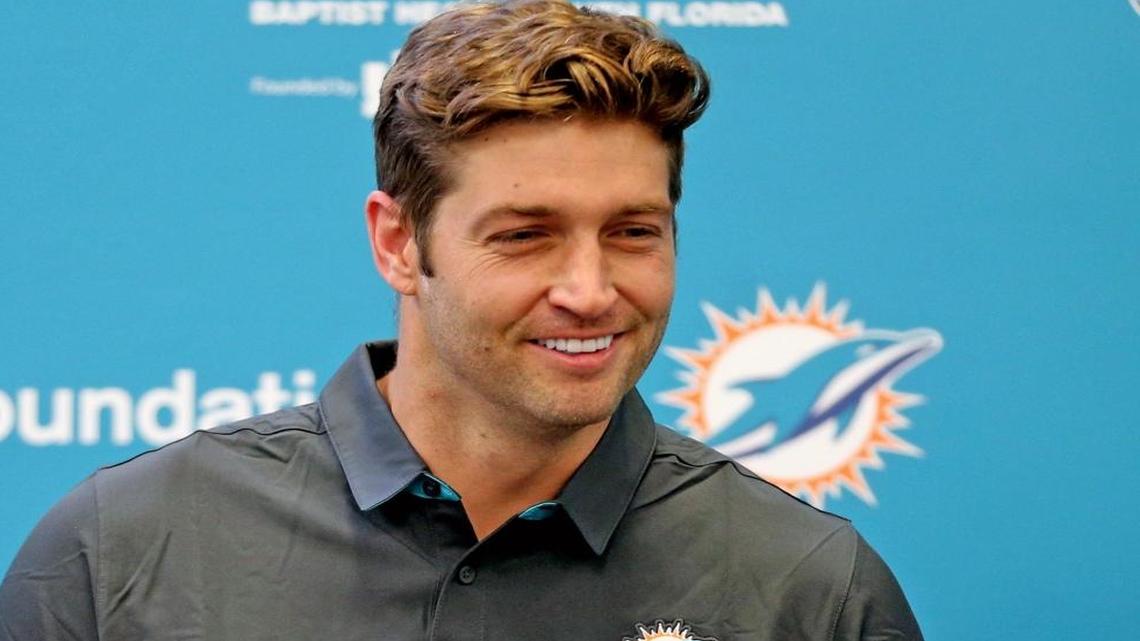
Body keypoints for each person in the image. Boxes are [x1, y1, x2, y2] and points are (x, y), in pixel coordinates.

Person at [0, 1, 923, 639]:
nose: (591, 289)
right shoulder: (122, 549)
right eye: (526, 236)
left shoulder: (809, 588)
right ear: (398, 243)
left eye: (633, 231)